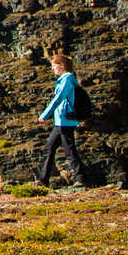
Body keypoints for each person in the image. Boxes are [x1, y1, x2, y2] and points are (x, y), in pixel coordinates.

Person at [36, 51, 87, 187]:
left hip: (65, 121)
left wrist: (45, 115)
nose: (53, 68)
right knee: (50, 149)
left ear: (62, 65)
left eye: (54, 65)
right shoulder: (66, 80)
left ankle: (81, 179)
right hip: (61, 121)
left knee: (69, 150)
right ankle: (43, 180)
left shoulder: (67, 80)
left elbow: (58, 99)